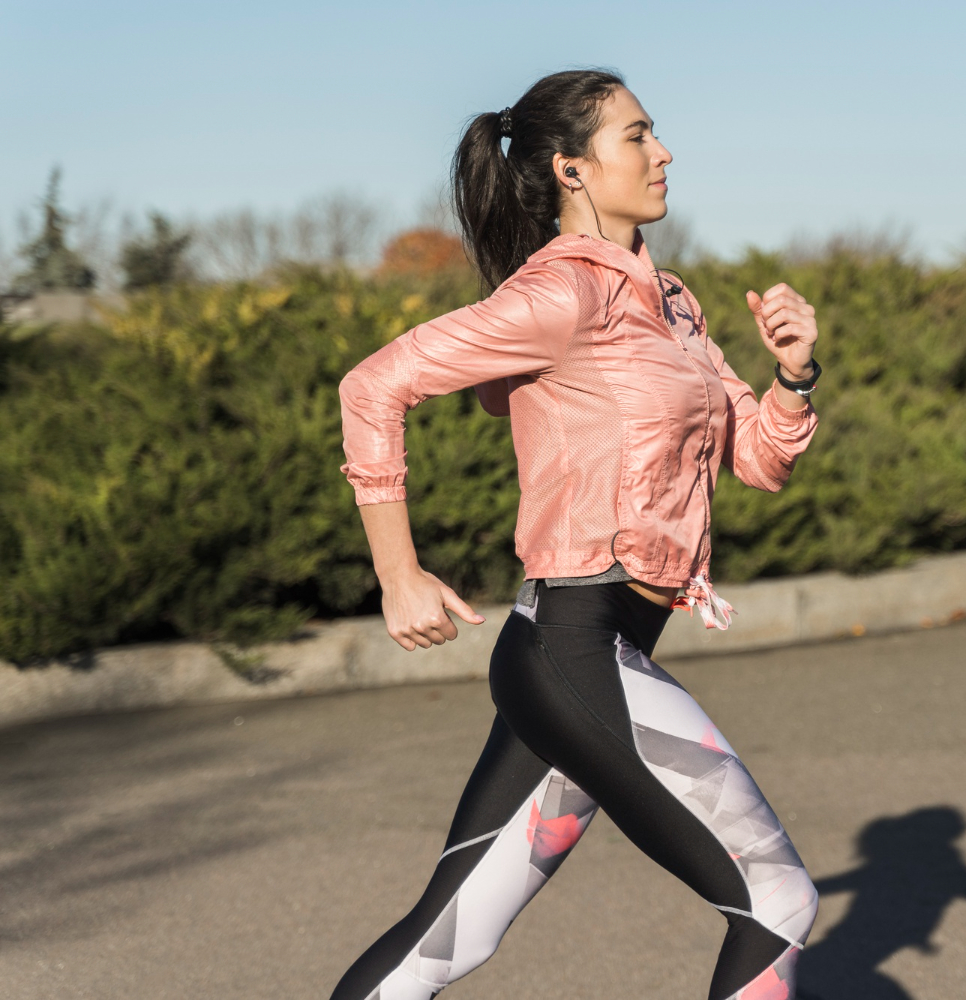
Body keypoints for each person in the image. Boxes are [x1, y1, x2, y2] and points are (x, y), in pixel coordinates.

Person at [331, 69, 823, 1000]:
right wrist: (398, 572)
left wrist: (794, 378)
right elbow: (374, 385)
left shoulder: (671, 306)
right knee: (776, 899)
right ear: (571, 170)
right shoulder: (560, 297)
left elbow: (755, 459)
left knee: (449, 939)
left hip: (591, 660)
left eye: (655, 132)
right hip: (573, 648)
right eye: (636, 136)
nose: (663, 151)